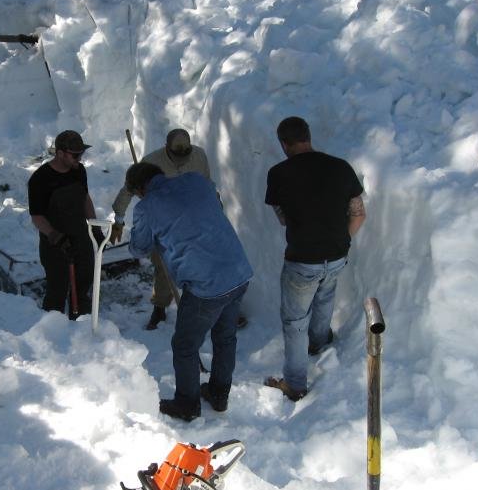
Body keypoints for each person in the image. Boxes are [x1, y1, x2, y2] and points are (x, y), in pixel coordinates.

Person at [127, 163, 253, 421]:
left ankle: (187, 404)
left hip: (206, 286)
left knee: (185, 345)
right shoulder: (197, 180)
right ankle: (219, 394)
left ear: (141, 189)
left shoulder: (146, 207)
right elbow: (210, 205)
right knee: (225, 337)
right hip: (238, 272)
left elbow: (139, 248)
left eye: (139, 194)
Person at [263, 116, 366, 401]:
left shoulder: (278, 173)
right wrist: (341, 241)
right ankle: (318, 343)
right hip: (336, 255)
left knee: (295, 320)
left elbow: (283, 219)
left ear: (284, 144)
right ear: (309, 136)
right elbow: (359, 213)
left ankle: (295, 384)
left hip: (301, 260)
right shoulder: (341, 167)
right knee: (324, 296)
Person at [112, 129, 247, 330]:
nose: (181, 161)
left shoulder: (199, 156)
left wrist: (215, 213)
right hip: (166, 225)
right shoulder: (150, 163)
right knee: (163, 264)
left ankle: (226, 309)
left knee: (209, 261)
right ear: (166, 149)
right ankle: (160, 307)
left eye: (185, 155)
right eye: (176, 156)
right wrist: (119, 220)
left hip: (197, 221)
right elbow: (128, 190)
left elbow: (208, 185)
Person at [28, 130, 102, 319]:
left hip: (79, 235)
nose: (80, 158)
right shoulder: (40, 179)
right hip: (55, 243)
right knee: (57, 289)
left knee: (84, 281)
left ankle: (82, 323)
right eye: (75, 154)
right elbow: (36, 216)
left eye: (81, 153)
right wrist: (56, 237)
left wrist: (94, 225)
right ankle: (54, 332)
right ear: (60, 153)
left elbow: (85, 198)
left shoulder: (78, 171)